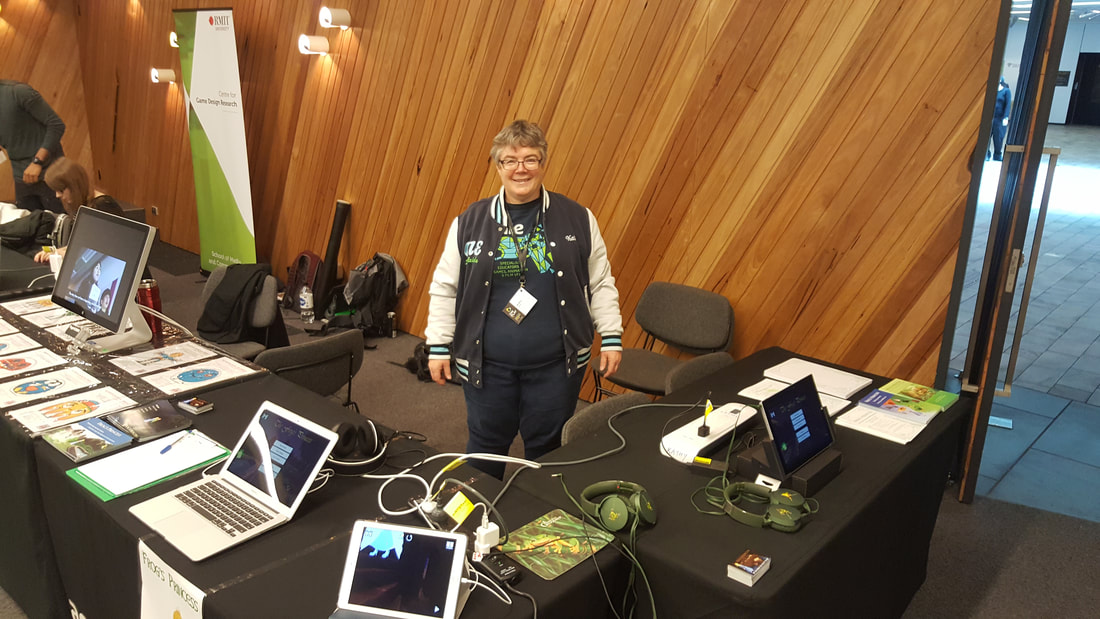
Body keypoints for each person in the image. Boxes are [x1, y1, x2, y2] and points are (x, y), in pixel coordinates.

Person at [424, 120, 624, 478]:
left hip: (556, 368)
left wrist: (611, 335)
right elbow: (445, 286)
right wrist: (438, 344)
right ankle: (478, 520)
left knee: (546, 451)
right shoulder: (470, 221)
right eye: (510, 161)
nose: (521, 169)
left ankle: (538, 524)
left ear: (543, 164)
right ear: (498, 166)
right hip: (488, 367)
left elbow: (601, 281)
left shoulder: (578, 217)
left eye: (530, 159)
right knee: (485, 450)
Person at [33, 157, 124, 263]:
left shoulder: (103, 207)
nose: (57, 195)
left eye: (61, 190)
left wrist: (61, 253)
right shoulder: (84, 206)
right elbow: (81, 244)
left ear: (74, 186)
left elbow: (100, 250)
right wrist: (54, 252)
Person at [0, 80, 66, 213]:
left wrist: (38, 162)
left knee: (61, 227)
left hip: (50, 174)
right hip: (21, 177)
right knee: (30, 227)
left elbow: (56, 125)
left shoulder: (18, 92)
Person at [989, 77, 1011, 161]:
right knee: (987, 138)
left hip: (1000, 119)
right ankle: (987, 154)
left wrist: (1005, 117)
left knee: (998, 138)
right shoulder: (991, 90)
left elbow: (1008, 105)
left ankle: (997, 155)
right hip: (990, 118)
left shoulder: (1006, 91)